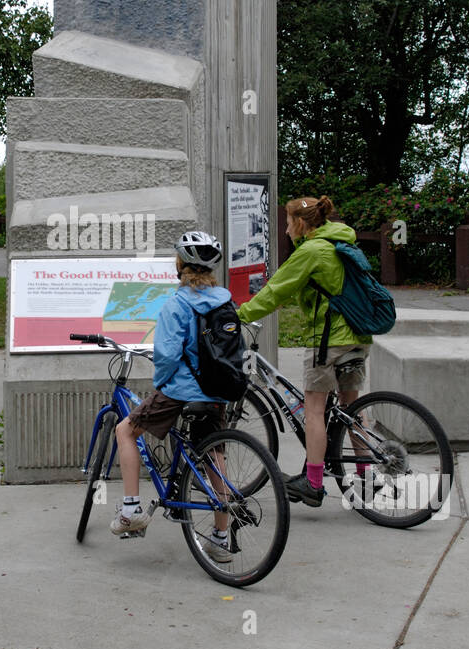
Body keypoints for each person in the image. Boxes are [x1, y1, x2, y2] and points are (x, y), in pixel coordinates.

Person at [235, 196, 372, 507]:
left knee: (313, 408)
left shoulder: (311, 250)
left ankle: (312, 482)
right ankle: (367, 474)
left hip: (329, 339)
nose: (285, 230)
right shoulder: (341, 241)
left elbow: (275, 291)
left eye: (287, 223)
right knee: (351, 407)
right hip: (358, 335)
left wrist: (239, 314)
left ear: (299, 223)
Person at [111, 230, 234, 561]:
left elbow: (166, 358)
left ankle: (131, 510)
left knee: (126, 429)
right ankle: (221, 538)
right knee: (213, 456)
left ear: (180, 264)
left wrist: (161, 387)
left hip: (180, 390)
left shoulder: (176, 305)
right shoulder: (225, 300)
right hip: (215, 392)